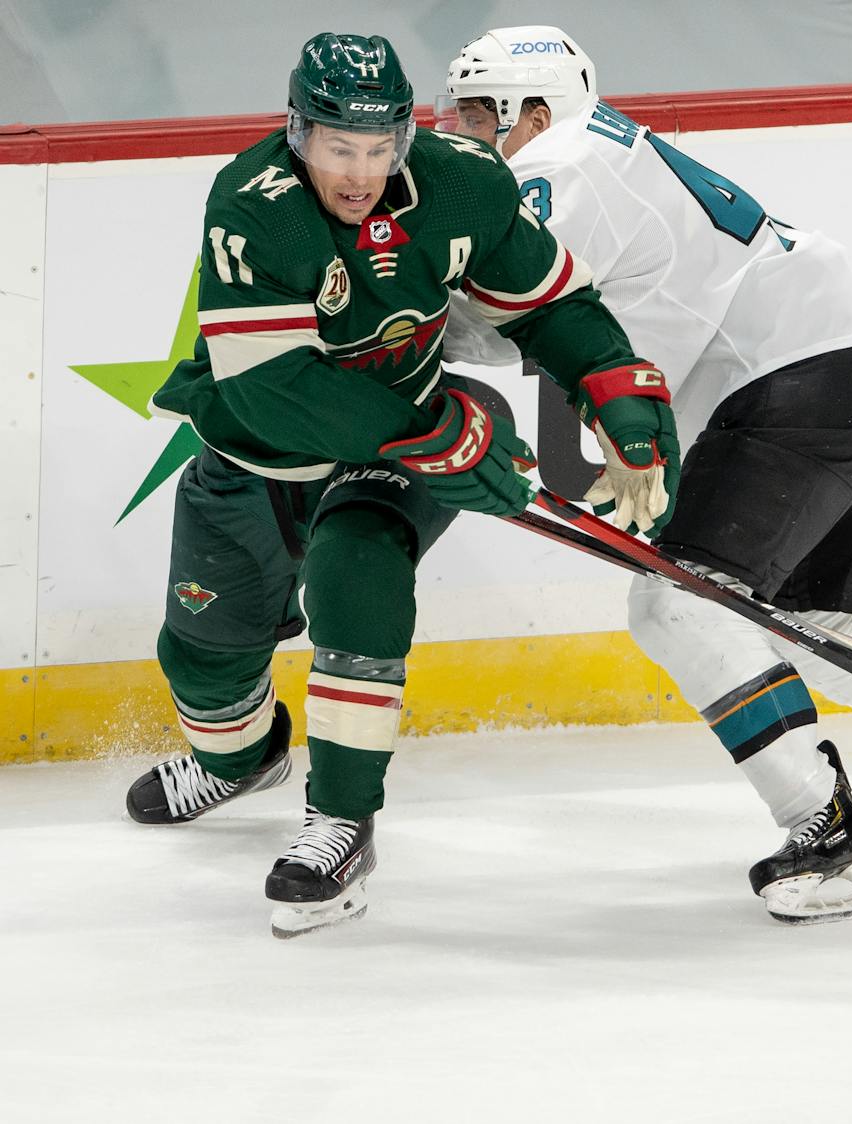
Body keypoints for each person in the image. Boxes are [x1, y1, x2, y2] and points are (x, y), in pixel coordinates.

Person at [438, 26, 852, 924]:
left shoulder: (557, 169)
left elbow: (497, 318)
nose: (467, 137)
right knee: (817, 621)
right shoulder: (610, 151)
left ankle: (829, 839)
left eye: (481, 116)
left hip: (800, 389)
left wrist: (369, 331)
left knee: (678, 603)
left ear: (535, 109)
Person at [123, 31, 678, 938]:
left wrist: (612, 387)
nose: (361, 173)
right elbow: (271, 389)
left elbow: (549, 305)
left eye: (381, 149)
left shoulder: (465, 181)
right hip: (263, 451)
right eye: (341, 148)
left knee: (357, 572)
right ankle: (239, 758)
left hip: (396, 445)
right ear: (298, 131)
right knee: (204, 656)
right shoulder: (252, 205)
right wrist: (433, 431)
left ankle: (341, 820)